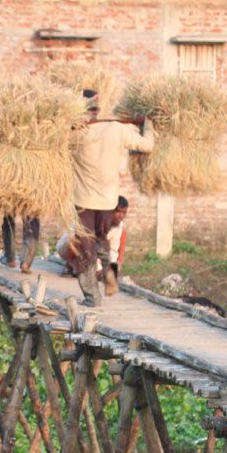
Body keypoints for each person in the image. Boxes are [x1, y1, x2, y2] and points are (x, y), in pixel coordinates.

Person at [71, 90, 154, 305]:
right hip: (108, 200)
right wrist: (149, 124)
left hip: (84, 202)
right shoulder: (117, 129)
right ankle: (110, 275)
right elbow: (148, 146)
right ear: (98, 109)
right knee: (103, 241)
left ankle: (92, 298)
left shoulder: (74, 134)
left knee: (86, 249)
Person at [57, 196, 129, 280]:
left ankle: (85, 269)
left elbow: (113, 250)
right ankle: (71, 265)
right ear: (111, 211)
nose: (121, 216)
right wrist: (98, 269)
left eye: (124, 213)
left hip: (93, 253)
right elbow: (86, 244)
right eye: (118, 212)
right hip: (68, 247)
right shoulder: (94, 218)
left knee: (122, 234)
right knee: (78, 240)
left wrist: (112, 271)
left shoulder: (118, 226)